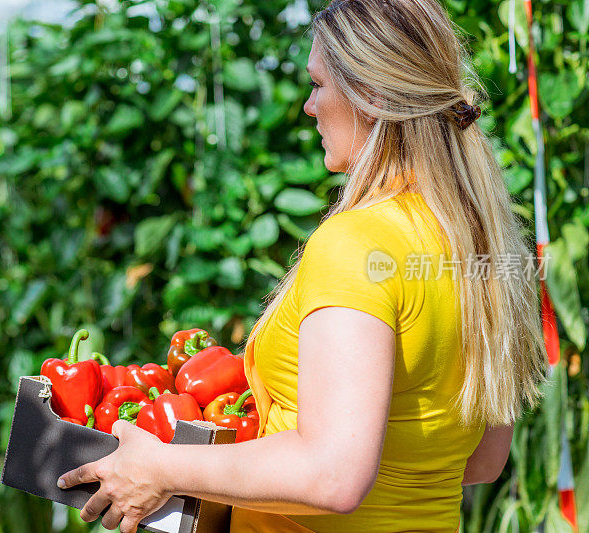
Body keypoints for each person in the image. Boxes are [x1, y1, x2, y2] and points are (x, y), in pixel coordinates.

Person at [57, 0, 550, 531]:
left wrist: (161, 468)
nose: (308, 107)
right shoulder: (481, 245)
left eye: (317, 85)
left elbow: (333, 475)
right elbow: (480, 459)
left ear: (373, 94)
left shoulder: (357, 243)